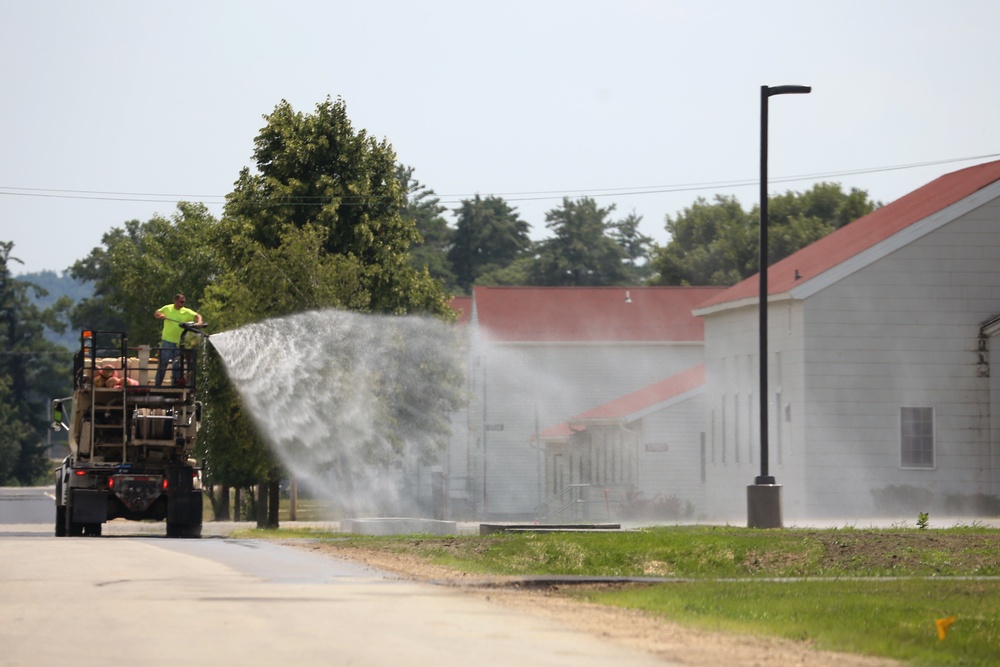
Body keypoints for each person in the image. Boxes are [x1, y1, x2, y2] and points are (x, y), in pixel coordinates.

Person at [154, 293, 203, 386]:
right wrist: (160, 315)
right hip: (167, 341)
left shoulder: (186, 311)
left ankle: (176, 383)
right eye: (181, 302)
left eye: (184, 302)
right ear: (175, 301)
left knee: (177, 364)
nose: (183, 304)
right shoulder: (167, 308)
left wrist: (199, 322)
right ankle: (157, 384)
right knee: (163, 363)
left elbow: (197, 315)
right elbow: (156, 313)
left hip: (179, 342)